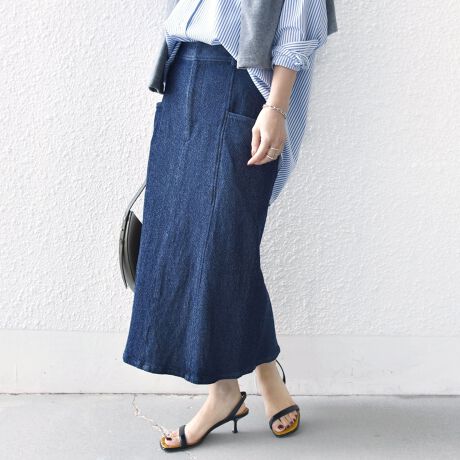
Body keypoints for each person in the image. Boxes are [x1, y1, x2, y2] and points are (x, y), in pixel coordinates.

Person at [122, 0, 336, 452]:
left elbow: (301, 18)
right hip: (182, 73)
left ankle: (232, 390)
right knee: (192, 242)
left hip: (241, 80)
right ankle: (249, 380)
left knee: (223, 245)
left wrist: (276, 106)